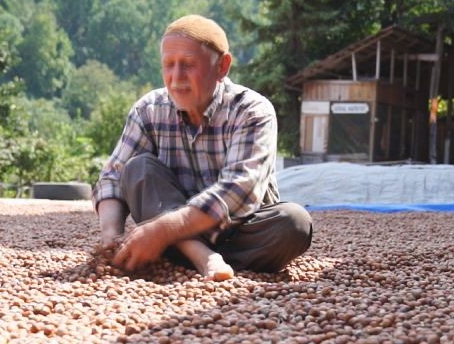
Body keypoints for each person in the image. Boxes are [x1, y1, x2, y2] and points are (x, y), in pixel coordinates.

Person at [92, 15, 313, 281]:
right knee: (137, 168)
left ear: (222, 66)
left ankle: (173, 253)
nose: (176, 78)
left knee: (294, 223)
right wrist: (111, 238)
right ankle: (199, 255)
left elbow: (239, 189)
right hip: (165, 220)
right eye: (168, 65)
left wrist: (163, 231)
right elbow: (113, 177)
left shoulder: (252, 110)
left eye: (187, 65)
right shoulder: (148, 109)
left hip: (237, 231)